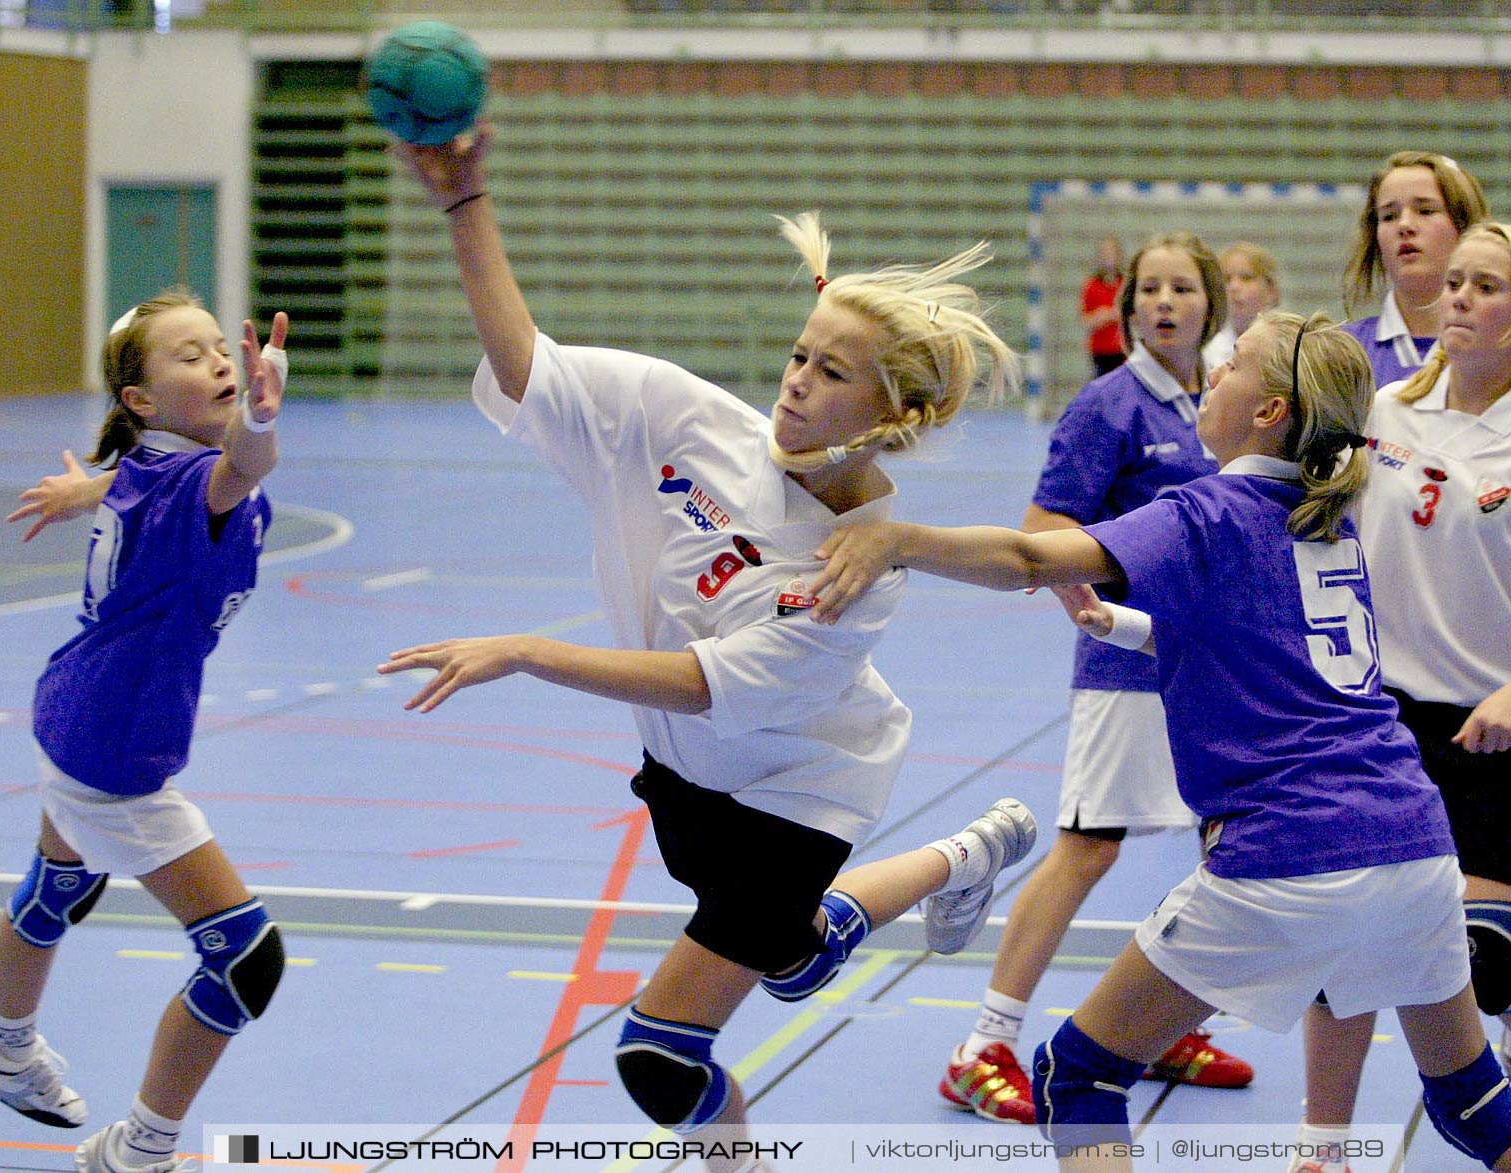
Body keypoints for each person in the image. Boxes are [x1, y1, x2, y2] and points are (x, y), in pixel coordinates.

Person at [377, 126, 1036, 1173]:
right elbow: (529, 367)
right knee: (792, 962)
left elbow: (698, 685)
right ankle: (975, 852)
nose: (795, 384)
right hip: (689, 780)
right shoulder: (688, 421)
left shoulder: (858, 575)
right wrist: (467, 205)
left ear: (891, 415)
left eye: (832, 375)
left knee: (660, 1056)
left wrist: (528, 652)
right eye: (798, 356)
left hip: (795, 795)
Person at [806, 310, 1511, 1173]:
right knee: (1471, 1101)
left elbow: (1027, 557)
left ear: (1268, 410)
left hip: (1288, 851)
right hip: (1415, 843)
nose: (1214, 367)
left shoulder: (1210, 510)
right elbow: (1266, 652)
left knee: (1078, 1075)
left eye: (1234, 360)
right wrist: (1127, 628)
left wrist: (896, 538)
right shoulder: (1324, 518)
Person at [1292, 224, 1511, 1173]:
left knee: (1481, 951)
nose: (1457, 300)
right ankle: (1324, 1152)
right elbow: (1325, 541)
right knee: (1348, 935)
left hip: (1510, 728)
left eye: (1485, 287)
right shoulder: (1390, 415)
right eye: (1453, 284)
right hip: (1388, 722)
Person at [0, 291, 291, 1173]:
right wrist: (257, 414)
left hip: (73, 706)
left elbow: (142, 481)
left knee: (60, 884)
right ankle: (139, 1150)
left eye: (221, 346)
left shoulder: (150, 466)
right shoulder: (201, 477)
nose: (217, 360)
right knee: (246, 959)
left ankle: (5, 1053)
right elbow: (243, 469)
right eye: (190, 356)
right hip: (113, 750)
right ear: (140, 399)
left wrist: (82, 489)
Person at [937, 230, 1253, 1129]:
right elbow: (1043, 526)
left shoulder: (1223, 396)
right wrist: (1094, 612)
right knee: (1091, 844)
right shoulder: (1110, 406)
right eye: (1148, 288)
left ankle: (1168, 1018)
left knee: (1218, 842)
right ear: (1129, 309)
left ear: (1209, 306)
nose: (1162, 302)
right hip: (1127, 665)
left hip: (1209, 663)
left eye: (1180, 288)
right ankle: (984, 1044)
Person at [1340, 150, 1511, 395]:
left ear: (1466, 225)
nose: (1404, 225)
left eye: (1425, 211)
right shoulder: (1343, 352)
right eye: (1389, 216)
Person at [1202, 240, 1281, 372]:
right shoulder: (1207, 350)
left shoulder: (1288, 345)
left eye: (1246, 278)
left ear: (1271, 290)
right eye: (1226, 279)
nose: (1234, 287)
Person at [1080, 236, 1127, 380]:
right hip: (1100, 350)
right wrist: (1101, 316)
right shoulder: (1091, 285)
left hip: (1122, 349)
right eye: (1105, 254)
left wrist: (1116, 314)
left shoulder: (1125, 283)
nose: (1109, 258)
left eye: (1112, 253)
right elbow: (1085, 320)